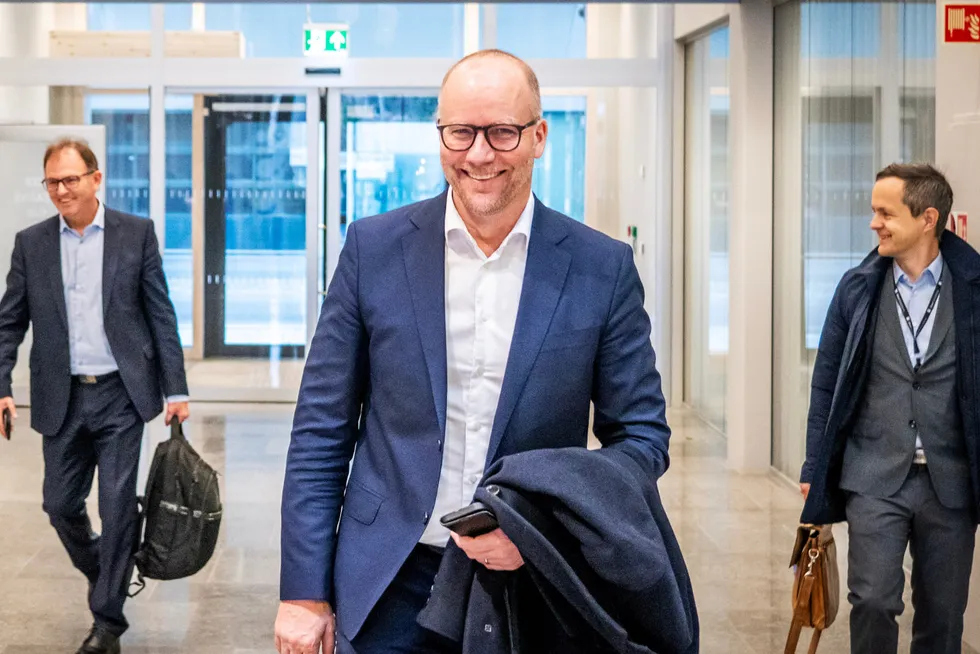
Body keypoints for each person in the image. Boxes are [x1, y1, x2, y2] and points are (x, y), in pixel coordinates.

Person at [275, 49, 671, 654]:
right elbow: (321, 430)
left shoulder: (600, 268)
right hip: (386, 579)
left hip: (532, 585)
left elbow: (641, 439)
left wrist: (540, 531)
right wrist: (303, 592)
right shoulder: (373, 250)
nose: (479, 154)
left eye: (503, 132)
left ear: (539, 137)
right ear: (440, 135)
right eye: (461, 132)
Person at [0, 138, 190, 654]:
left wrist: (176, 387)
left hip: (121, 396)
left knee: (117, 508)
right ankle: (107, 565)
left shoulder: (135, 234)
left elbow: (160, 314)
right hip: (60, 396)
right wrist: (2, 386)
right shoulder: (31, 243)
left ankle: (107, 623)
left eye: (71, 180)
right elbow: (9, 322)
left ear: (96, 178)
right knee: (58, 503)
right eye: (53, 183)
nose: (62, 191)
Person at [799, 163, 980, 654]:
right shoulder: (858, 289)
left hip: (951, 481)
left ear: (927, 218)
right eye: (874, 211)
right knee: (874, 601)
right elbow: (826, 384)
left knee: (944, 616)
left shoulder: (972, 290)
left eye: (885, 212)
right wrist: (815, 464)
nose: (874, 223)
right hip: (874, 475)